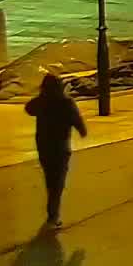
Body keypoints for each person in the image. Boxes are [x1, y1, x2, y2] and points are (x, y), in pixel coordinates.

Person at [25, 74, 86, 229]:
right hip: (60, 147)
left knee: (50, 178)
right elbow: (78, 122)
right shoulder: (66, 103)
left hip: (44, 146)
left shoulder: (41, 102)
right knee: (58, 182)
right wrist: (81, 130)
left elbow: (28, 108)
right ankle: (53, 215)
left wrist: (42, 96)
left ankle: (52, 213)